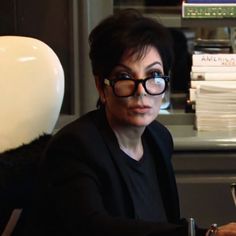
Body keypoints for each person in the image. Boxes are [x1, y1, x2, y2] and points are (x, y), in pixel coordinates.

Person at [24, 9, 236, 236]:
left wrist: (210, 233)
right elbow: (93, 227)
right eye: (125, 77)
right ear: (101, 87)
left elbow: (165, 225)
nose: (141, 92)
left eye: (153, 75)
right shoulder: (74, 146)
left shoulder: (159, 138)